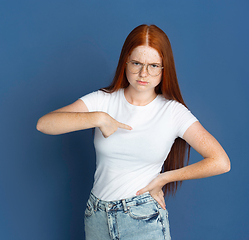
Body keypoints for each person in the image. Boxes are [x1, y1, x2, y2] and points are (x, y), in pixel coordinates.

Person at [36, 24, 230, 240]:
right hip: (96, 216)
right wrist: (98, 118)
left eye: (154, 65)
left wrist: (164, 178)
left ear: (164, 68)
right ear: (125, 61)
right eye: (137, 63)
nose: (143, 73)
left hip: (142, 218)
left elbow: (220, 161)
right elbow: (45, 124)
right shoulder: (103, 100)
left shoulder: (172, 112)